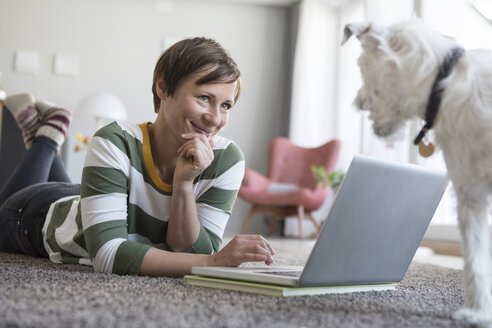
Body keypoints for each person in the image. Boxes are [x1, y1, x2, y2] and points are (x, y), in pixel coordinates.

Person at [0, 37, 275, 276]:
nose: (215, 118)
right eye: (204, 98)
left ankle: (37, 131)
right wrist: (214, 261)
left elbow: (189, 250)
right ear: (163, 87)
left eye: (226, 105)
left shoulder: (226, 159)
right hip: (35, 216)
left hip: (87, 201)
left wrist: (183, 185)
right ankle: (48, 135)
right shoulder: (114, 141)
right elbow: (107, 255)